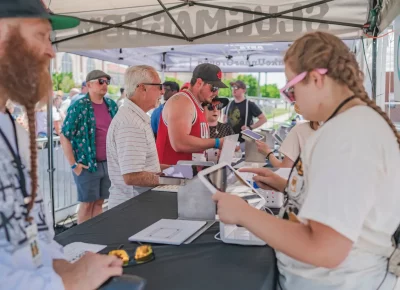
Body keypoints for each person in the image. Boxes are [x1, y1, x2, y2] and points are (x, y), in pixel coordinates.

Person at [213, 31, 400, 290]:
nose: (291, 98)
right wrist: (286, 184)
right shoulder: (351, 126)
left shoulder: (347, 135)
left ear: (315, 78)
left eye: (291, 88)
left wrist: (243, 214)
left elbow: (326, 249)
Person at [0, 2, 122, 290]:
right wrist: (67, 281)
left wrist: (69, 268)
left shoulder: (14, 132)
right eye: (40, 35)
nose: (50, 51)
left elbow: (35, 235)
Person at [61, 70, 118, 224]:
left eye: (107, 81)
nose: (105, 84)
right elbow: (65, 135)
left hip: (107, 163)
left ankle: (96, 236)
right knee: (87, 204)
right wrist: (74, 165)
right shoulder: (79, 106)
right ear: (89, 84)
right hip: (87, 164)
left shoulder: (111, 105)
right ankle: (82, 242)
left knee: (100, 202)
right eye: (101, 81)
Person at [107, 65, 167, 209]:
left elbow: (144, 166)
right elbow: (132, 176)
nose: (162, 91)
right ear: (142, 88)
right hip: (131, 208)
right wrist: (172, 178)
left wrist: (175, 169)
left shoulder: (135, 117)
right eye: (159, 86)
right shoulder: (130, 123)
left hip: (136, 205)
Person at [156, 64, 227, 165]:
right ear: (199, 83)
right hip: (171, 176)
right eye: (214, 88)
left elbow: (197, 144)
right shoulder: (182, 101)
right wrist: (217, 143)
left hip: (184, 176)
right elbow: (179, 143)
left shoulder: (197, 105)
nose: (216, 93)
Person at [224, 80, 267, 145]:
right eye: (232, 87)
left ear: (244, 90)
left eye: (236, 87)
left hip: (244, 142)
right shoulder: (229, 104)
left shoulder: (250, 104)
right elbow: (224, 119)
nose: (234, 89)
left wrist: (250, 127)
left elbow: (263, 119)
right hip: (230, 140)